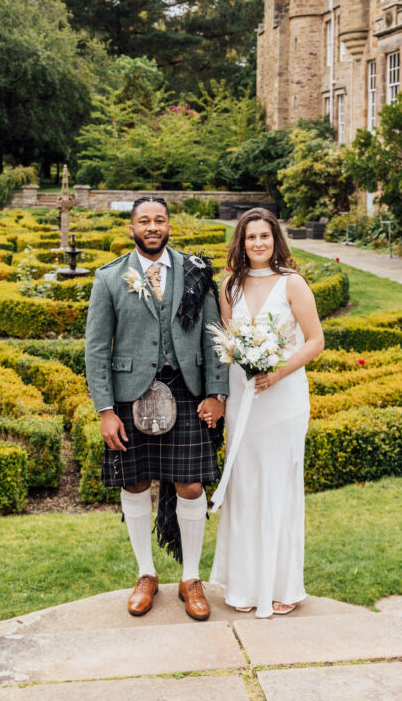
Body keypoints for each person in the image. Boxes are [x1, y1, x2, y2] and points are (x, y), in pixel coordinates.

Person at [85, 196, 228, 621]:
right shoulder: (110, 278)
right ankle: (146, 574)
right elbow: (96, 349)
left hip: (187, 392)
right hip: (131, 396)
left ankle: (190, 577)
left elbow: (213, 334)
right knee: (135, 484)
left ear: (169, 225)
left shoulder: (196, 271)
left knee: (191, 487)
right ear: (132, 228)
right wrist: (105, 410)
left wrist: (216, 394)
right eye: (144, 220)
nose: (152, 226)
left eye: (159, 220)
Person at [209, 207, 324, 618]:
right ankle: (243, 585)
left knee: (278, 485)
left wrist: (277, 373)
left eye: (265, 236)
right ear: (240, 243)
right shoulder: (230, 287)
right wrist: (223, 395)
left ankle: (283, 586)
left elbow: (314, 341)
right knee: (246, 485)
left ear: (276, 240)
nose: (258, 243)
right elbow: (227, 345)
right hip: (244, 397)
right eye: (250, 237)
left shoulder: (293, 283)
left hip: (284, 398)